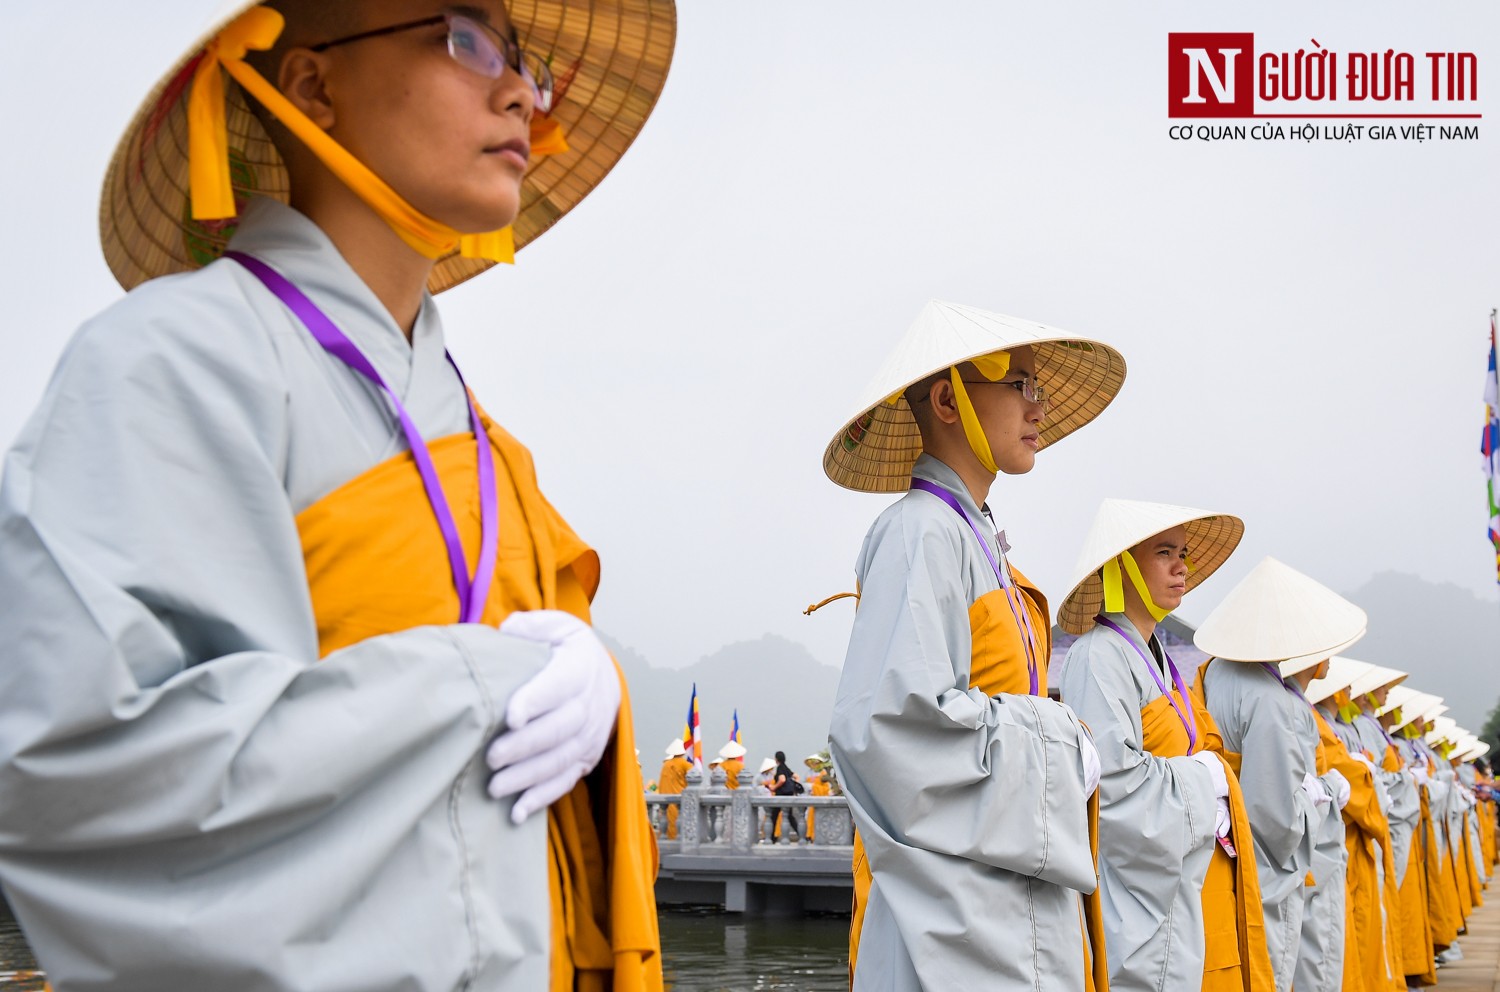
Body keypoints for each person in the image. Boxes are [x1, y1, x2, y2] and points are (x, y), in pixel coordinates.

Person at [0, 2, 676, 989]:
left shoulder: (483, 438)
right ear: (314, 85)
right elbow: (90, 767)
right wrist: (482, 685)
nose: (522, 94)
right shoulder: (166, 359)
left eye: (524, 61)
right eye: (466, 37)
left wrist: (592, 680)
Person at [824, 300, 1125, 990]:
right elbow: (891, 729)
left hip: (1003, 890)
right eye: (1021, 385)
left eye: (1038, 389)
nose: (1039, 406)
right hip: (953, 917)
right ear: (948, 400)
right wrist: (1058, 736)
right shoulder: (920, 530)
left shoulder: (977, 539)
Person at [1056, 499, 1274, 992]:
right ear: (1123, 565)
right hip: (1133, 897)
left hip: (1183, 880)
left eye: (1182, 553)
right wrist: (1207, 779)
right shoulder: (1098, 658)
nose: (1182, 566)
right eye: (1164, 553)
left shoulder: (1162, 662)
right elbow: (1111, 787)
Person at [1194, 557, 1368, 992]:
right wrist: (1320, 796)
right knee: (1274, 970)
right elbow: (1277, 819)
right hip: (1269, 872)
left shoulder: (1217, 671)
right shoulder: (1268, 698)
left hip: (1224, 853)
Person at [659, 739, 692, 840]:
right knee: (679, 821)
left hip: (665, 799)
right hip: (680, 799)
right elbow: (695, 778)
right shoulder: (685, 764)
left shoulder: (666, 765)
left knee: (668, 821)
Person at [768, 750, 802, 844]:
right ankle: (801, 835)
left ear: (776, 759)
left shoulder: (779, 768)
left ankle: (771, 837)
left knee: (774, 816)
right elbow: (796, 776)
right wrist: (795, 786)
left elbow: (782, 779)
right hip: (789, 794)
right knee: (790, 817)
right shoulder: (786, 768)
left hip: (780, 796)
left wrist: (774, 787)